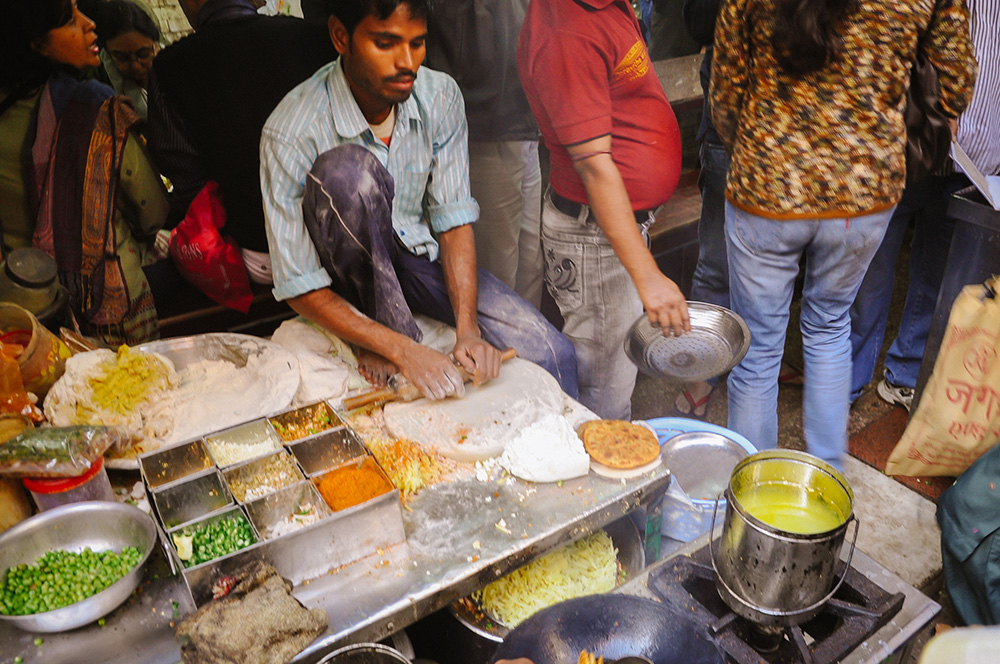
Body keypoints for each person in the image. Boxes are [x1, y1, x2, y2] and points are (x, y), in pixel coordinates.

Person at [260, 0, 578, 401]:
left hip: (417, 261)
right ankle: (381, 330)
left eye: (417, 43)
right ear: (341, 36)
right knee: (348, 175)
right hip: (346, 278)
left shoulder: (440, 96)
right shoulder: (290, 130)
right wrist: (402, 349)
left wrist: (468, 330)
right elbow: (297, 281)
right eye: (386, 43)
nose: (406, 62)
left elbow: (453, 219)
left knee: (552, 353)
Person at [711, 0, 976, 468]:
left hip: (767, 186)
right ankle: (826, 488)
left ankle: (752, 504)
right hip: (865, 192)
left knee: (756, 351)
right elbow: (954, 81)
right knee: (830, 326)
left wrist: (752, 150)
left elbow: (726, 87)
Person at [517, 0, 691, 421]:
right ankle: (600, 475)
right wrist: (648, 275)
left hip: (610, 231)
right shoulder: (566, 31)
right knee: (603, 395)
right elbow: (594, 167)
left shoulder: (603, 6)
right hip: (592, 241)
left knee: (614, 375)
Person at [850, 0, 999, 412]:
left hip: (973, 159)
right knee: (868, 270)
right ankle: (845, 380)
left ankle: (905, 374)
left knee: (936, 272)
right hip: (904, 143)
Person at [0, 0, 170, 345]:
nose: (89, 24)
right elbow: (153, 213)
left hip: (23, 309)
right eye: (69, 20)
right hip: (108, 314)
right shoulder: (95, 108)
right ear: (35, 43)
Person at [147, 0, 337, 283]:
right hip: (335, 242)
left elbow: (188, 185)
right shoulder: (316, 38)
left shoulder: (168, 67)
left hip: (257, 257)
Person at [425, 0, 545, 309]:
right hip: (485, 121)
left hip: (525, 115)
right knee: (499, 270)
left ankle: (529, 352)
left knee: (531, 262)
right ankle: (498, 351)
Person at [93, 0, 160, 120]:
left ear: (156, 46)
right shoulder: (103, 89)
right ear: (108, 55)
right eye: (122, 58)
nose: (135, 66)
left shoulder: (177, 72)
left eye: (143, 54)